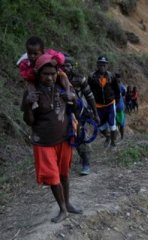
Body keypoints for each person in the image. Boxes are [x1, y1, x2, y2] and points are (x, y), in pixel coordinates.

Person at [21, 53, 82, 223]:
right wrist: (28, 105)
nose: (50, 77)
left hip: (64, 139)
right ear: (39, 74)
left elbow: (77, 110)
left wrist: (73, 99)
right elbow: (29, 121)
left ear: (57, 73)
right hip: (44, 142)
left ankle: (68, 204)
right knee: (53, 177)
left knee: (64, 174)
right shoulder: (31, 92)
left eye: (53, 73)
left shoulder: (63, 87)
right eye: (45, 74)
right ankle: (63, 210)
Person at [62, 56, 100, 175]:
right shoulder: (55, 79)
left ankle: (86, 163)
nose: (65, 68)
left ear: (73, 67)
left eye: (68, 65)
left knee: (81, 137)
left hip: (80, 113)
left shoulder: (79, 79)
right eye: (63, 66)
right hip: (62, 114)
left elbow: (89, 96)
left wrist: (95, 113)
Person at [18, 36, 72, 109]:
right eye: (29, 53)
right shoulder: (25, 62)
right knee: (29, 84)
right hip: (36, 78)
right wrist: (32, 72)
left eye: (35, 54)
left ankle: (68, 91)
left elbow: (61, 56)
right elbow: (24, 74)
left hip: (53, 75)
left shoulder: (49, 53)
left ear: (42, 51)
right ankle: (34, 101)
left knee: (62, 74)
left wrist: (56, 60)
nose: (32, 56)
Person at [88, 56, 120, 147]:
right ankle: (108, 137)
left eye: (104, 64)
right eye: (100, 64)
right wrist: (90, 104)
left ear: (107, 65)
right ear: (97, 65)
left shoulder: (111, 76)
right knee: (100, 126)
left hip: (110, 104)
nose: (102, 66)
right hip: (98, 105)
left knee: (112, 124)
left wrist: (116, 101)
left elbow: (116, 90)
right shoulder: (92, 77)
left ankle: (113, 144)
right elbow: (88, 91)